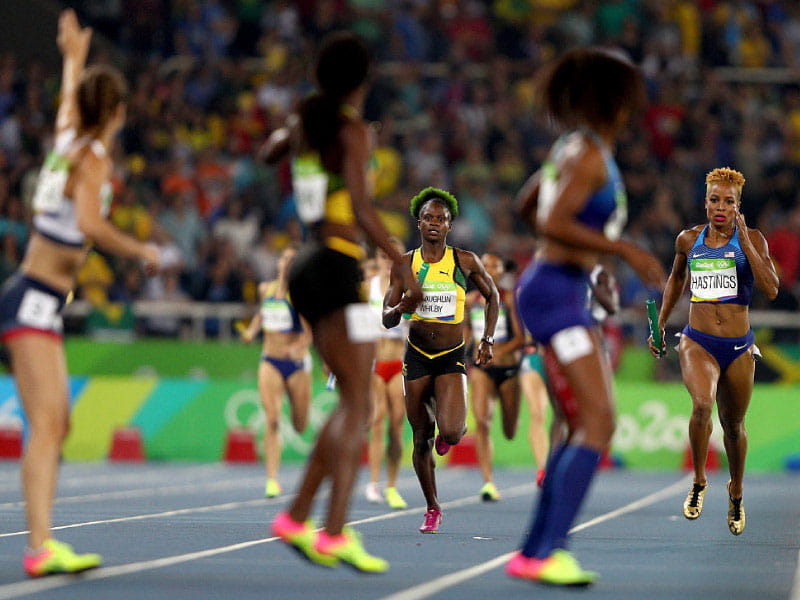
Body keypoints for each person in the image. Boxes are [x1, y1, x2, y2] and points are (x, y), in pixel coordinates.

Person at [0, 10, 159, 577]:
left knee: (54, 423)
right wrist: (140, 250)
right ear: (117, 112)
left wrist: (72, 58)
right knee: (48, 425)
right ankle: (40, 546)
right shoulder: (91, 157)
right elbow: (90, 224)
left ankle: (43, 542)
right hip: (34, 300)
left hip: (34, 299)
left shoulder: (70, 136)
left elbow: (69, 102)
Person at [261, 32, 421, 573]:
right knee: (357, 402)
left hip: (309, 263)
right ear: (362, 80)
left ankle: (299, 518)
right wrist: (400, 260)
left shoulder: (310, 123)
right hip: (336, 264)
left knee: (354, 398)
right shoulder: (350, 129)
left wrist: (296, 128)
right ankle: (330, 531)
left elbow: (268, 153)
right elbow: (359, 202)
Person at [508, 47, 665, 586]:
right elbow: (550, 217)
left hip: (559, 287)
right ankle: (547, 551)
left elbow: (529, 206)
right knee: (597, 422)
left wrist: (582, 256)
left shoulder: (571, 148)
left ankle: (535, 550)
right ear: (615, 100)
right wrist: (621, 251)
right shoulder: (590, 156)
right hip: (555, 293)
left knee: (576, 424)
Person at [649, 167, 778, 536]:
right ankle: (700, 481)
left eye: (729, 202)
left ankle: (735, 490)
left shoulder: (753, 238)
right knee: (702, 405)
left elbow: (770, 289)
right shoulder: (689, 240)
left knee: (734, 426)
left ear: (738, 206)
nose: (720, 207)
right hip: (698, 341)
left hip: (738, 346)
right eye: (714, 200)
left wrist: (748, 243)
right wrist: (661, 322)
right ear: (705, 202)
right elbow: (677, 278)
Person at [383, 187, 499, 534]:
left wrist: (487, 339)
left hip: (451, 356)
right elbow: (386, 318)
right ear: (419, 223)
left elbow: (492, 297)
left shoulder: (464, 261)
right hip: (417, 357)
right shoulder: (404, 264)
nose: (434, 223)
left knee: (452, 430)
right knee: (421, 439)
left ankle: (447, 426)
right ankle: (432, 507)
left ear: (450, 226)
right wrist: (403, 306)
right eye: (429, 218)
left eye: (441, 219)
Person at [240, 245, 311, 499]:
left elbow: (308, 334)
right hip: (270, 360)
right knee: (271, 417)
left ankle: (298, 413)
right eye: (286, 259)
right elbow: (262, 313)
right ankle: (272, 479)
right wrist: (251, 331)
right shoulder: (265, 289)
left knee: (300, 425)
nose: (288, 263)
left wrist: (298, 347)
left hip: (295, 366)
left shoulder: (301, 295)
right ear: (279, 263)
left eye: (294, 260)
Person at [465, 253, 526, 501]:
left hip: (508, 370)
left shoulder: (510, 299)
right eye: (485, 265)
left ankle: (511, 417)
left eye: (495, 266)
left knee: (509, 431)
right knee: (482, 421)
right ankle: (488, 482)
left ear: (502, 271)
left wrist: (494, 350)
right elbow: (466, 334)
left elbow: (521, 339)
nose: (489, 270)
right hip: (482, 370)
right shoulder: (470, 302)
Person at [365, 238, 409, 510]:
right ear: (378, 259)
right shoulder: (366, 288)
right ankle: (373, 482)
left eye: (392, 257)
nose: (387, 262)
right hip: (374, 363)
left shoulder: (410, 290)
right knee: (378, 419)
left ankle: (392, 485)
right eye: (383, 256)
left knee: (396, 424)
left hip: (398, 361)